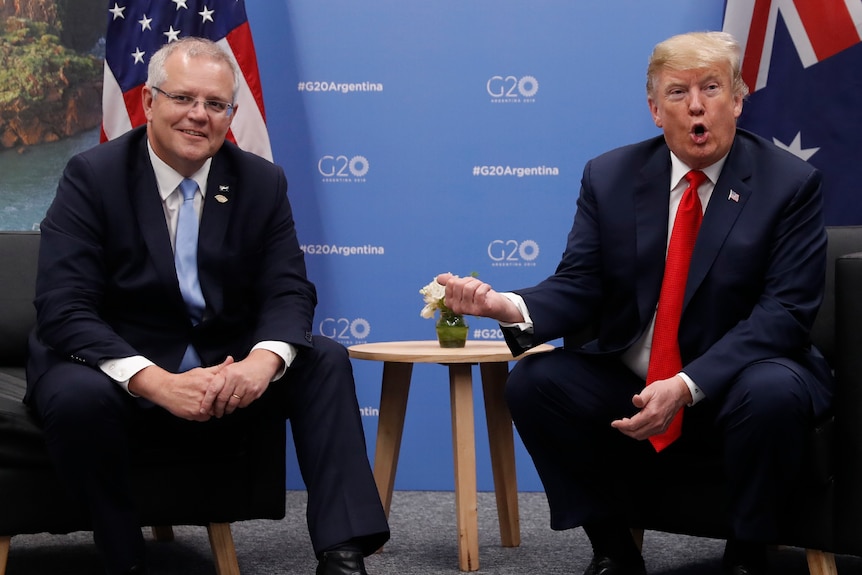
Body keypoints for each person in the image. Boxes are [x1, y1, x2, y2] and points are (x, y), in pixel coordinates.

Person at [437, 31, 832, 575]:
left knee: (771, 392)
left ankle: (748, 551)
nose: (696, 106)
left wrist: (687, 385)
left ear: (738, 100)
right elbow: (580, 284)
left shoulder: (790, 184)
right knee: (533, 382)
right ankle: (613, 549)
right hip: (639, 376)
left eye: (711, 88)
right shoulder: (612, 176)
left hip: (739, 376)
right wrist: (504, 306)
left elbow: (784, 312)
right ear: (654, 110)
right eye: (677, 92)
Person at [25, 37, 389, 575]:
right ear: (149, 102)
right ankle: (124, 557)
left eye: (216, 105)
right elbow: (63, 307)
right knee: (76, 397)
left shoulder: (260, 181)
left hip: (222, 359)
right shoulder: (93, 176)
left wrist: (261, 363)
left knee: (324, 360)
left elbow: (289, 289)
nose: (199, 115)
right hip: (114, 360)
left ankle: (343, 553)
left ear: (231, 115)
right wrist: (156, 381)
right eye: (183, 99)